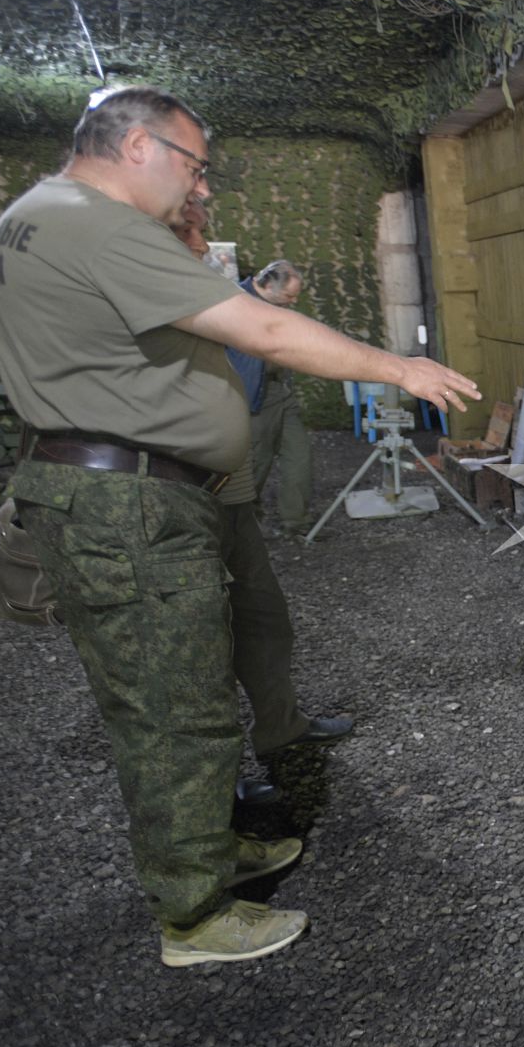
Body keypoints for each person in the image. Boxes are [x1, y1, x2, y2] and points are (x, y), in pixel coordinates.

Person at [0, 86, 478, 967]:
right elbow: (261, 327)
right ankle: (194, 914)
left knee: (183, 688)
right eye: (194, 162)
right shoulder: (96, 224)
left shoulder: (39, 215)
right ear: (138, 146)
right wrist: (396, 367)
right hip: (125, 502)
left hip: (124, 491)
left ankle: (209, 849)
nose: (197, 181)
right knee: (177, 710)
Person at [173, 204, 352, 805]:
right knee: (200, 641)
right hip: (187, 483)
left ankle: (283, 727)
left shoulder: (215, 297)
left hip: (232, 479)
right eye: (188, 232)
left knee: (263, 616)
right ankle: (214, 793)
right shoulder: (207, 306)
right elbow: (256, 357)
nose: (204, 245)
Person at [226, 262, 312, 538]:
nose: (294, 301)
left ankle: (295, 521)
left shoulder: (274, 307)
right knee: (256, 464)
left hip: (280, 391)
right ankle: (249, 527)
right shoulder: (235, 304)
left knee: (300, 457)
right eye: (289, 296)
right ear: (267, 286)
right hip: (252, 397)